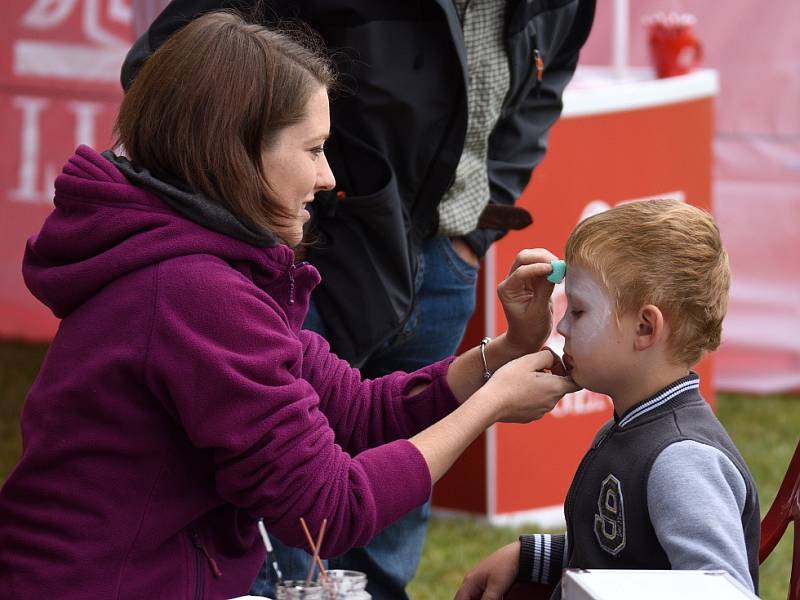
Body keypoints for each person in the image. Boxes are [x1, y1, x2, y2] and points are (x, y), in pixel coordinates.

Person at [0, 12, 579, 599]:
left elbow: (353, 411)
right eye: (314, 149)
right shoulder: (195, 292)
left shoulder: (205, 265)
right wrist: (489, 407)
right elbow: (328, 510)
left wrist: (500, 357)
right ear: (238, 151)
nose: (328, 177)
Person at [455, 199, 761, 600]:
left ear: (645, 328)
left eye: (578, 311)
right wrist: (531, 555)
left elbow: (721, 592)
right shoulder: (631, 425)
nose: (561, 325)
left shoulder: (682, 459)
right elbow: (626, 549)